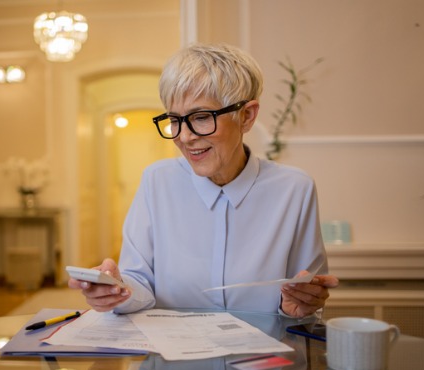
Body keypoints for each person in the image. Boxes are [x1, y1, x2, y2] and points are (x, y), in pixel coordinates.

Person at [68, 43, 339, 318]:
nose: (185, 137)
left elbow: (305, 298)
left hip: (264, 356)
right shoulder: (156, 181)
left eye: (200, 117)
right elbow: (139, 282)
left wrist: (296, 308)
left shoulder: (294, 190)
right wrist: (117, 291)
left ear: (246, 116)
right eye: (175, 119)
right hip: (172, 358)